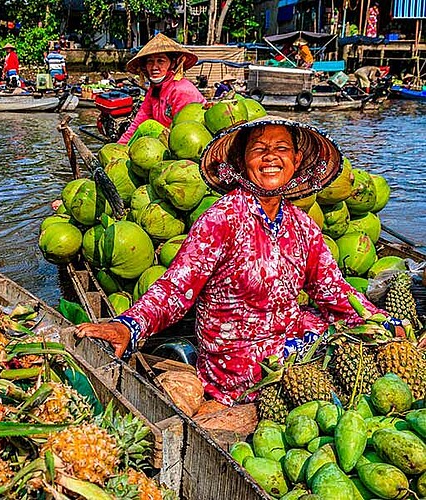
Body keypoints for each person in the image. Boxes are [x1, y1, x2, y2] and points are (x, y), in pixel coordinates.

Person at [76, 116, 401, 406]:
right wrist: (129, 326)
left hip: (291, 365)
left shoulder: (304, 226)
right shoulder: (222, 219)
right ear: (243, 161)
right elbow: (176, 288)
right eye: (259, 149)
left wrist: (384, 324)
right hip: (237, 375)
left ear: (296, 160)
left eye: (282, 148)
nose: (271, 156)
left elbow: (333, 291)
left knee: (344, 335)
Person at [117, 33, 207, 145]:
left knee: (149, 126)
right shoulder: (154, 89)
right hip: (167, 140)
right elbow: (139, 121)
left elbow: (184, 132)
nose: (154, 67)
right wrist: (119, 147)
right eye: (150, 61)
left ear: (173, 63)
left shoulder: (182, 90)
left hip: (187, 142)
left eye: (161, 61)